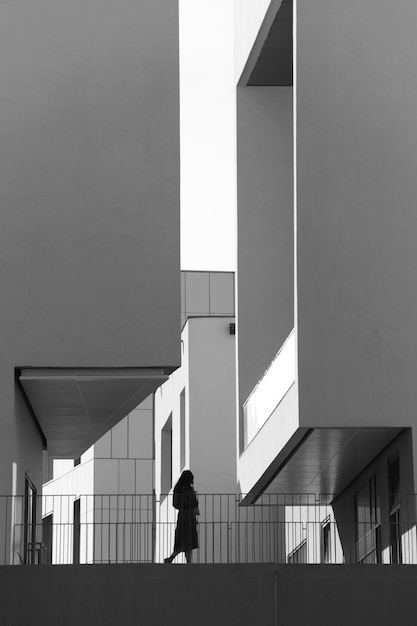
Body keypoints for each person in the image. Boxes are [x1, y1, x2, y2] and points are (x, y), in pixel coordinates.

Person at [164, 469, 199, 564]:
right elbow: (194, 502)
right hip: (189, 516)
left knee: (181, 540)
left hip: (182, 516)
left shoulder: (178, 489)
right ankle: (188, 562)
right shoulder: (188, 490)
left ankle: (172, 558)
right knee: (189, 541)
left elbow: (175, 504)